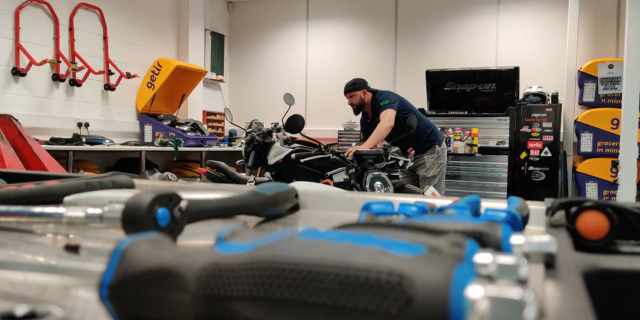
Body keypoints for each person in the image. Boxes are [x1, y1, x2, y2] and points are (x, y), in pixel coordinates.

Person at [343, 78, 447, 195]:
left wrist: (365, 146)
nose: (349, 102)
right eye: (347, 98)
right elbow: (369, 149)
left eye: (352, 96)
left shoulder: (385, 98)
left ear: (365, 93)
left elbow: (387, 122)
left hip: (429, 149)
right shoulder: (366, 120)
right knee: (404, 195)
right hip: (407, 157)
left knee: (431, 200)